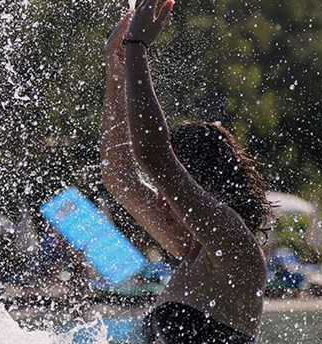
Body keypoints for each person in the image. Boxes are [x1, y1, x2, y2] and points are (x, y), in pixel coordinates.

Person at [101, 1, 272, 343]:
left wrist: (137, 50)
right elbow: (118, 176)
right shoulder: (193, 248)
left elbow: (154, 157)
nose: (161, 204)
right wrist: (116, 73)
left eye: (168, 193)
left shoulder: (233, 244)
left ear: (202, 185)